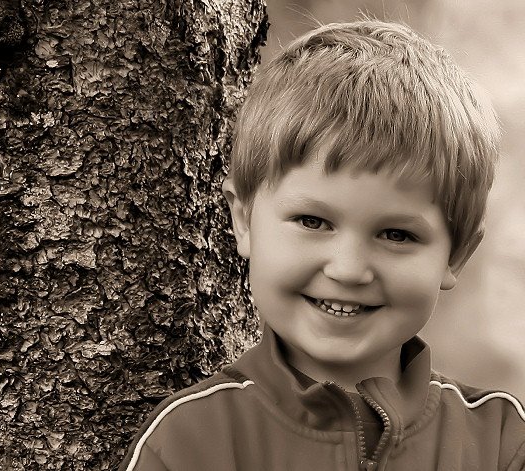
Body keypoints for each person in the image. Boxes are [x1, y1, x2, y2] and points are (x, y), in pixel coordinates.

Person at [118, 20, 525, 471]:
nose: (348, 270)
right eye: (313, 222)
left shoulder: (500, 442)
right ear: (244, 220)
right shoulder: (192, 440)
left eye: (396, 235)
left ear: (456, 254)